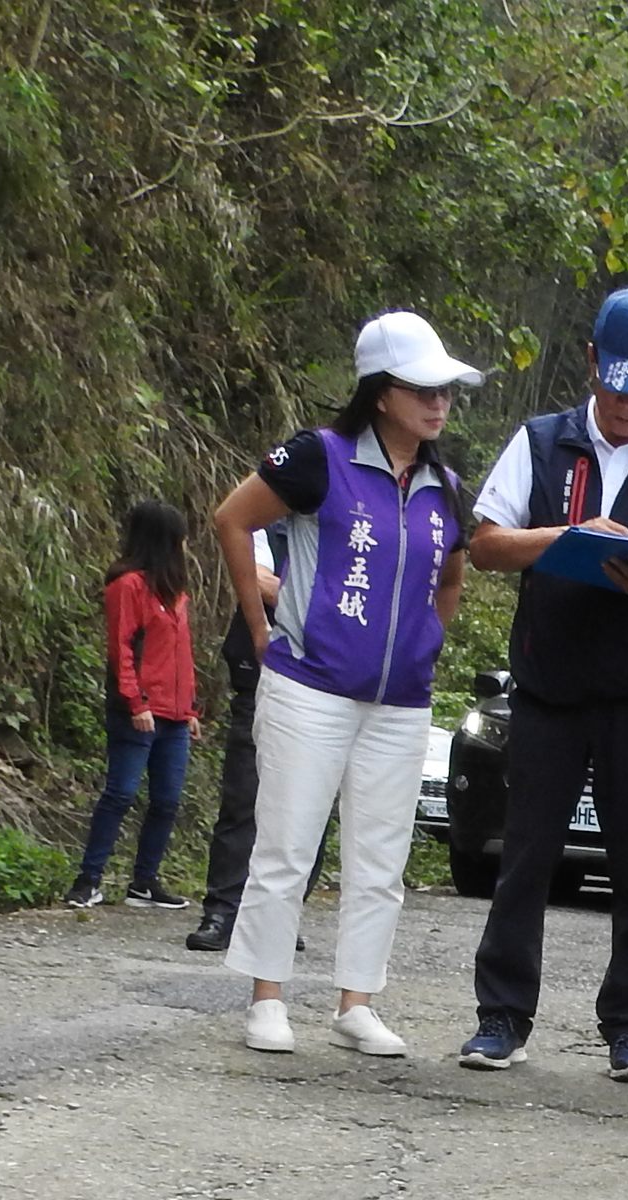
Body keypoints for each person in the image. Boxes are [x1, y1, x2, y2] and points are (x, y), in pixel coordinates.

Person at [456, 287, 628, 1082]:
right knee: (526, 861)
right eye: (616, 390)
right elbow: (485, 544)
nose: (627, 408)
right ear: (590, 364)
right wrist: (566, 539)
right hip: (548, 689)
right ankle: (501, 1018)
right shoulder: (541, 443)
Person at [212, 310, 474, 1056]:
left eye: (445, 391)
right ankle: (267, 996)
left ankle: (356, 1001)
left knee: (381, 857)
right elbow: (233, 519)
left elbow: (450, 575)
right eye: (422, 389)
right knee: (288, 843)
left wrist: (427, 640)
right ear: (381, 393)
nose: (438, 403)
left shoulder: (444, 485)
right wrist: (263, 633)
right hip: (310, 685)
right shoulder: (317, 457)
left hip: (399, 699)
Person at [65, 499, 197, 910]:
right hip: (138, 710)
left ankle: (145, 882)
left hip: (174, 714)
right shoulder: (129, 586)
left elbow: (182, 654)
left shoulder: (176, 592)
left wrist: (191, 708)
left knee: (167, 800)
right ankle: (87, 880)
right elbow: (120, 647)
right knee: (120, 794)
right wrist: (134, 700)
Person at [187, 522, 279, 954]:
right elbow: (257, 579)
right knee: (243, 794)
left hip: (330, 679)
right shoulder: (270, 522)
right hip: (261, 672)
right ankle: (222, 908)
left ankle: (280, 913)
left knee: (307, 804)